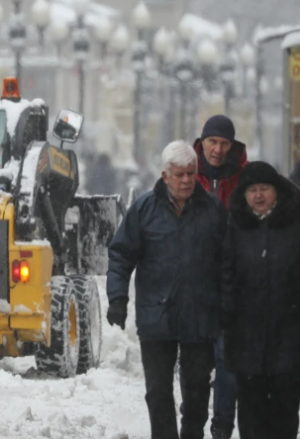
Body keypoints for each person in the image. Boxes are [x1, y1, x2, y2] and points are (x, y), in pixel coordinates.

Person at [106, 140, 228, 439]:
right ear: (164, 176)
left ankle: (191, 435)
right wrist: (117, 297)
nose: (186, 180)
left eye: (190, 173)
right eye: (179, 175)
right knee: (158, 392)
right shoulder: (144, 209)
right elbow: (121, 254)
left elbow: (228, 261)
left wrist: (228, 304)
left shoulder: (212, 209)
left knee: (198, 390)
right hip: (156, 316)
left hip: (200, 316)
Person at [221, 162, 300, 439]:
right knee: (252, 421)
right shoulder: (235, 227)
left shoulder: (294, 225)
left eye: (264, 189)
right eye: (252, 190)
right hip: (247, 344)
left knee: (284, 418)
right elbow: (226, 277)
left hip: (289, 342)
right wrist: (227, 321)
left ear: (276, 191)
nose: (258, 196)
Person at [189, 114, 247, 439]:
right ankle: (193, 424)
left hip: (232, 287)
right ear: (203, 142)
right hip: (196, 288)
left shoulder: (243, 179)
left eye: (224, 143)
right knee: (195, 364)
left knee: (228, 362)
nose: (218, 149)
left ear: (232, 145)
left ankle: (222, 427)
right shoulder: (187, 174)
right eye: (213, 141)